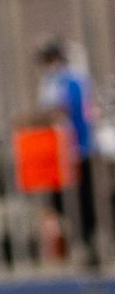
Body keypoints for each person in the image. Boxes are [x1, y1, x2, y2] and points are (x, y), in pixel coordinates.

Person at [38, 40, 100, 254]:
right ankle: (83, 240)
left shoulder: (69, 81)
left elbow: (61, 110)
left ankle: (89, 241)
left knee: (82, 199)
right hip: (64, 151)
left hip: (77, 148)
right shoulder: (55, 82)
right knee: (65, 200)